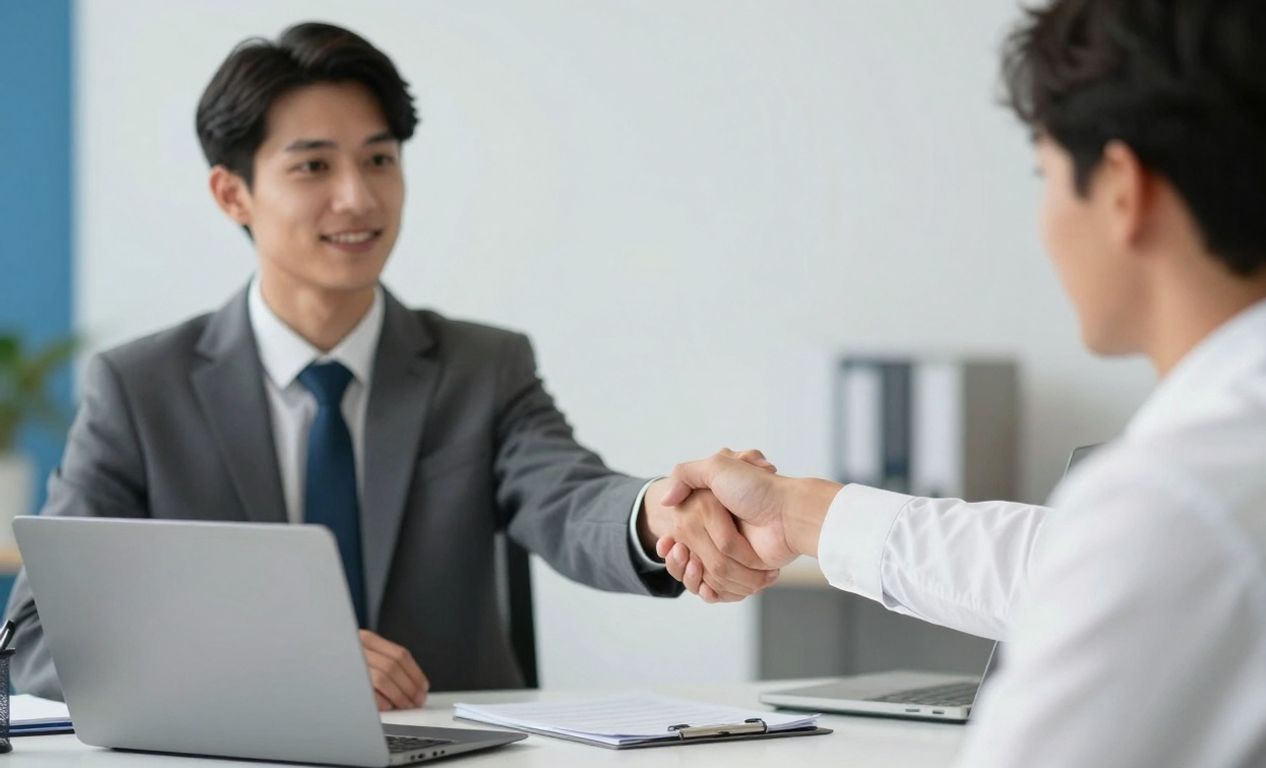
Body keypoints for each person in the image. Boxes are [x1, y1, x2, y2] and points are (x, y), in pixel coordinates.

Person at [658, 0, 1266, 764]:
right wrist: (802, 516)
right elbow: (1068, 564)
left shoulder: (1183, 507)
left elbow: (1131, 557)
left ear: (1125, 191)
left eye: (1047, 174)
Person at [2, 21, 779, 708]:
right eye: (313, 167)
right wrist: (278, 665)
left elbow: (568, 495)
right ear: (232, 193)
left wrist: (657, 516)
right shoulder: (141, 390)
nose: (357, 198)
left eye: (380, 159)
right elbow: (36, 638)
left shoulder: (483, 366)